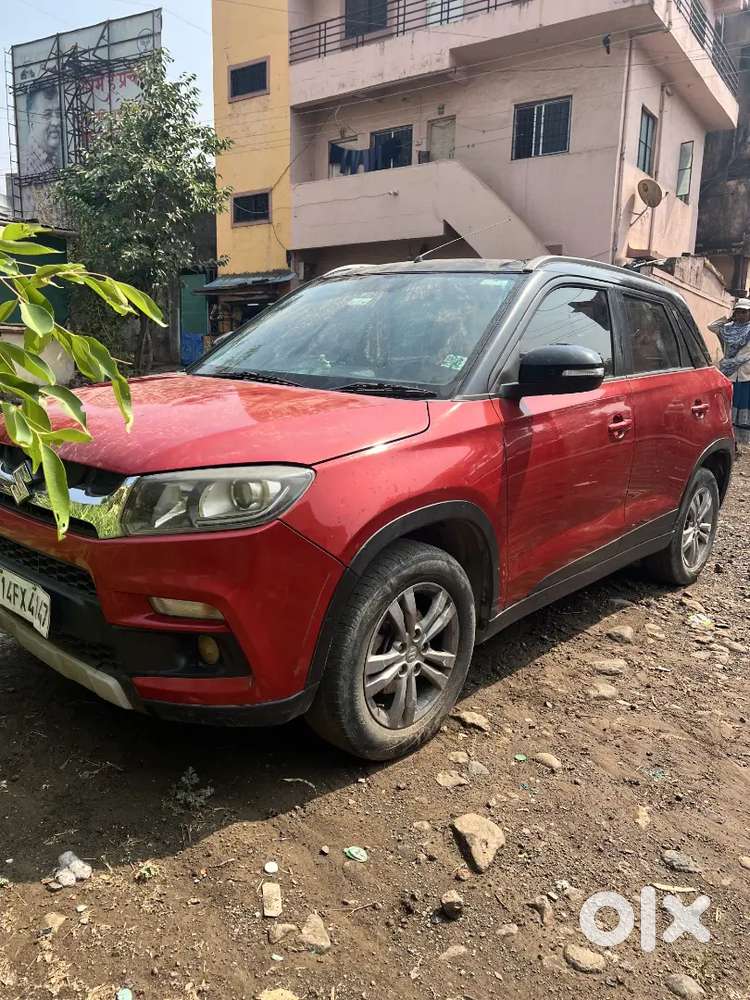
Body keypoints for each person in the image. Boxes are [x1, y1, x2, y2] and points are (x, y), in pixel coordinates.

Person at [709, 298, 750, 447]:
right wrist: (728, 318)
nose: (741, 315)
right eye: (738, 312)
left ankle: (737, 442)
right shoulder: (728, 328)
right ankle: (727, 438)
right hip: (729, 373)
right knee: (727, 406)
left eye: (744, 312)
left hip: (746, 375)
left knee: (741, 409)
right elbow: (712, 326)